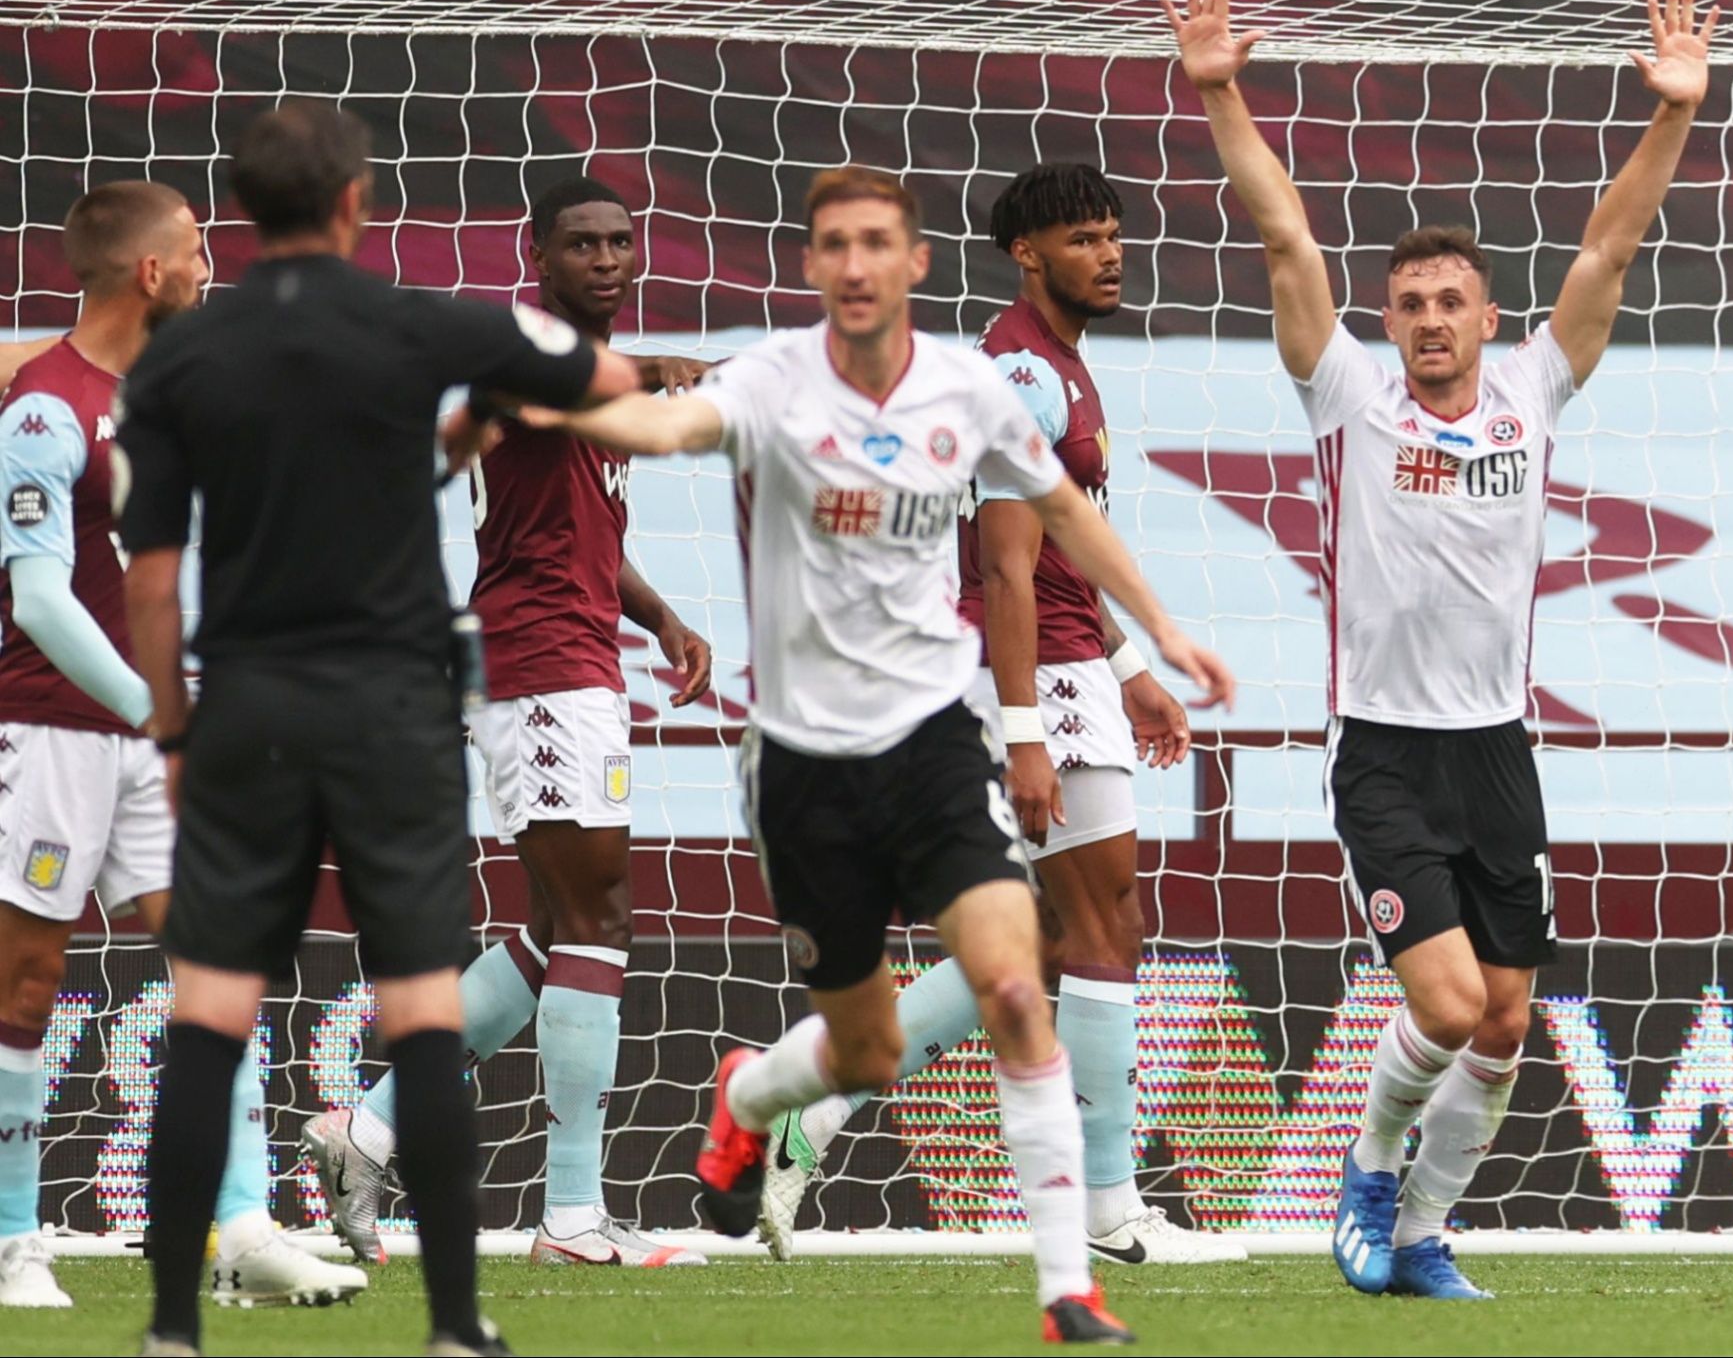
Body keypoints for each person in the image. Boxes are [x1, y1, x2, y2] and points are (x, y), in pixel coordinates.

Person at [537, 164, 1234, 1344]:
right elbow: (662, 422)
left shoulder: (968, 387)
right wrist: (555, 389)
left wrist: (1155, 634)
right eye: (833, 245)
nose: (855, 264)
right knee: (861, 1044)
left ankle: (1071, 1285)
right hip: (803, 765)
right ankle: (756, 1094)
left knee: (1020, 976)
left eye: (877, 243)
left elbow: (1061, 510)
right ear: (814, 268)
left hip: (931, 742)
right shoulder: (769, 381)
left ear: (912, 264)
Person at [1169, 0, 1712, 1300]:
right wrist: (1223, 95)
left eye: (1447, 301)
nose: (1424, 320)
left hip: (1499, 750)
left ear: (1483, 314)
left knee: (1511, 1023)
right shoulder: (1348, 395)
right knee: (1453, 1006)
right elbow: (1290, 241)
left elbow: (1609, 249)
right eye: (1407, 302)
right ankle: (1368, 1175)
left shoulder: (1536, 385)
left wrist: (1673, 115)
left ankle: (1420, 1236)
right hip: (1387, 754)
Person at [115, 100, 644, 1355]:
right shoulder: (420, 325)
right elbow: (601, 381)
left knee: (211, 1016)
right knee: (417, 1003)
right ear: (356, 204)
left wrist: (176, 736)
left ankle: (173, 1326)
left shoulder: (184, 358)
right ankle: (458, 1322)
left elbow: (151, 571)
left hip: (244, 710)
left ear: (236, 217)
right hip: (393, 711)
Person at [756, 163, 1245, 1265]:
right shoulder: (1021, 370)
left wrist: (1125, 660)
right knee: (1107, 929)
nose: (1110, 253)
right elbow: (1008, 568)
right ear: (1028, 254)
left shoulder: (1056, 363)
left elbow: (1066, 557)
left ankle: (816, 1098)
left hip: (1074, 663)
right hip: (1036, 677)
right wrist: (1027, 731)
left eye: (1115, 233)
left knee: (1042, 940)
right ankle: (1108, 1212)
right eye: (1084, 237)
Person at [302, 176, 717, 1270]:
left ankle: (372, 1128)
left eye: (620, 242)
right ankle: (570, 1217)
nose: (606, 259)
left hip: (579, 655)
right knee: (597, 925)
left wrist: (662, 612)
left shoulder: (583, 370)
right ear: (539, 254)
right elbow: (509, 409)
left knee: (562, 931)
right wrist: (637, 377)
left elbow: (581, 515)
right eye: (581, 243)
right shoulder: (531, 351)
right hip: (536, 666)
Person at [0, 183, 362, 1312]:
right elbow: (42, 602)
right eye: (199, 255)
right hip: (49, 733)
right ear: (150, 273)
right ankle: (13, 1240)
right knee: (22, 983)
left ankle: (243, 1227)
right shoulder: (43, 411)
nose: (213, 271)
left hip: (151, 740)